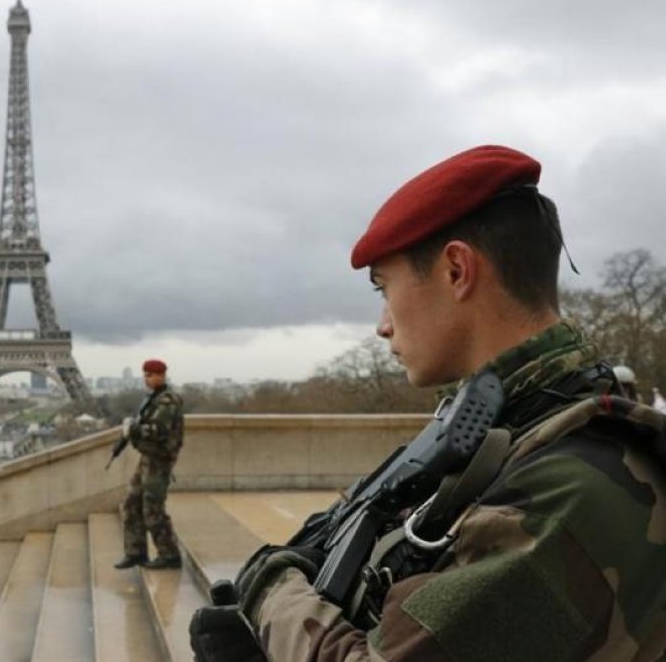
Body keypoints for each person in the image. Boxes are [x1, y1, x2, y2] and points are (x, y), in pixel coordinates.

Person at [190, 145, 666, 661]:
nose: (382, 325)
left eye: (384, 288)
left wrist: (272, 591)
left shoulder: (568, 484)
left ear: (457, 270)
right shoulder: (519, 433)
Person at [113, 358, 186, 570]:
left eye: (149, 375)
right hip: (148, 458)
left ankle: (169, 554)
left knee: (153, 508)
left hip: (158, 461)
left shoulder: (167, 401)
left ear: (160, 375)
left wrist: (133, 430)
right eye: (145, 375)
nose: (146, 379)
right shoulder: (154, 399)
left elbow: (159, 430)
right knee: (131, 503)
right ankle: (135, 552)